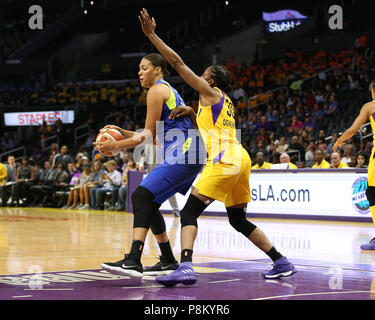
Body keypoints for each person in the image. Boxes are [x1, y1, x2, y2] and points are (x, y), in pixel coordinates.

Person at [135, 8, 296, 286]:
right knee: (237, 219)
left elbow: (176, 62)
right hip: (239, 157)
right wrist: (192, 113)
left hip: (223, 158)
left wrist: (152, 35)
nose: (199, 76)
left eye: (204, 74)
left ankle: (185, 265)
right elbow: (211, 130)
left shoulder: (209, 92)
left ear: (210, 81)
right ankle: (281, 261)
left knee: (188, 213)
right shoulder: (223, 102)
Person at [96, 51, 204, 277]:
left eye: (144, 68)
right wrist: (122, 132)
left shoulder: (156, 90)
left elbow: (145, 137)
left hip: (185, 152)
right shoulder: (167, 90)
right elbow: (154, 136)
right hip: (190, 152)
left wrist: (115, 146)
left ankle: (134, 259)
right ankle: (167, 260)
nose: (139, 72)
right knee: (149, 202)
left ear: (158, 69)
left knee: (140, 196)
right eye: (138, 69)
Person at [333, 87, 375, 249]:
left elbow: (352, 129)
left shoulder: (370, 106)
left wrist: (339, 141)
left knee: (372, 192)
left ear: (372, 91)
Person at [138, 143, 181, 216]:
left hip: (164, 170)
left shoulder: (166, 142)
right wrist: (141, 163)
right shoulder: (148, 144)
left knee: (169, 190)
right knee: (150, 191)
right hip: (151, 172)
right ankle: (148, 209)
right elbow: (143, 156)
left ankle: (176, 210)